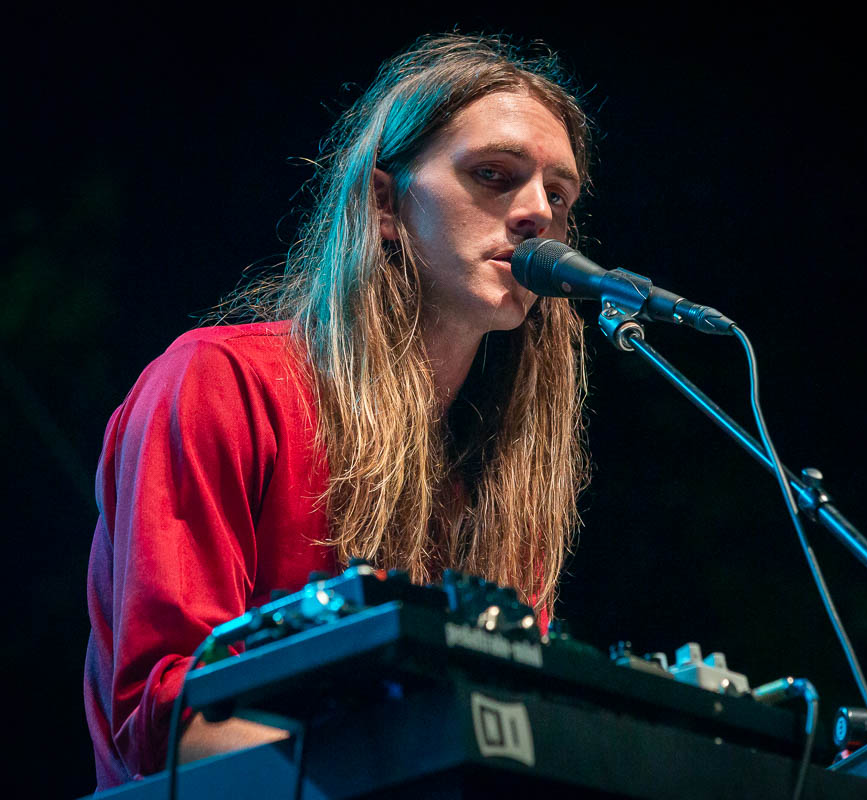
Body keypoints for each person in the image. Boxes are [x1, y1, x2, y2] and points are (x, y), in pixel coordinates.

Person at [84, 33, 592, 789]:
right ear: (385, 204)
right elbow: (164, 720)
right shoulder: (220, 384)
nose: (536, 215)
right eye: (495, 175)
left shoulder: (502, 471)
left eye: (559, 195)